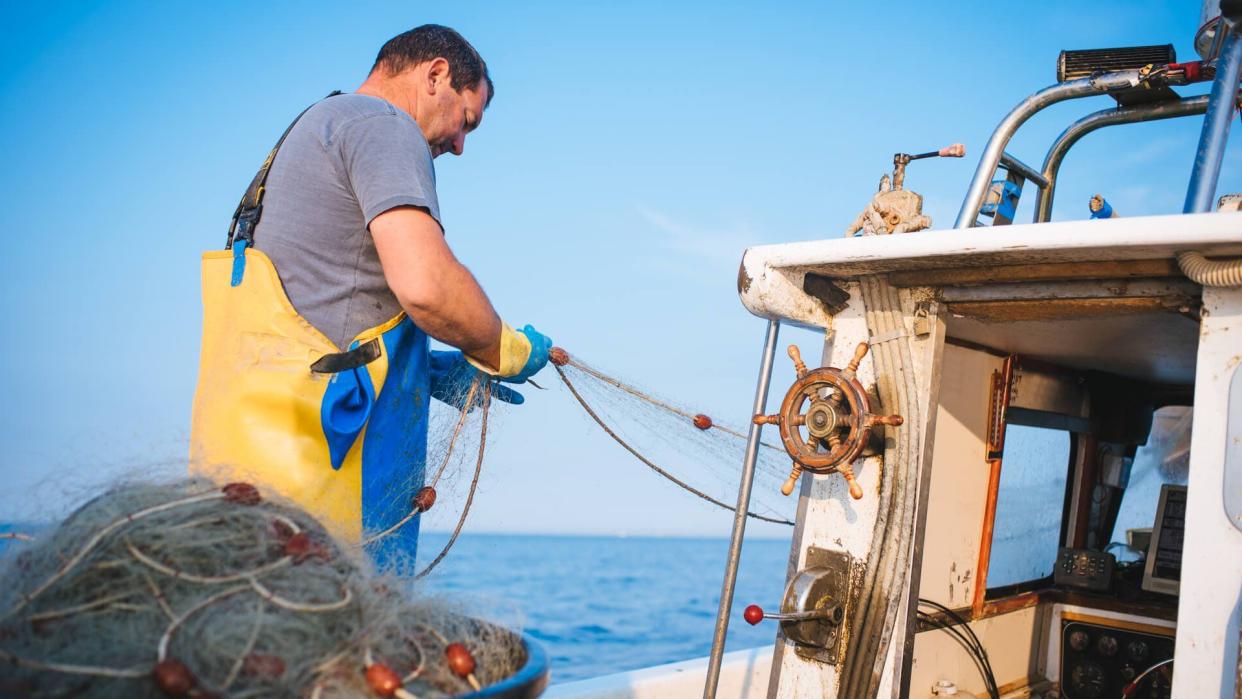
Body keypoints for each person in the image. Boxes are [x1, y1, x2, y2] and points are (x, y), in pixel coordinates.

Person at [189, 25, 550, 560]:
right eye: (466, 121)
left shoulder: (319, 127)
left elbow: (314, 305)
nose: (459, 145)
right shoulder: (384, 127)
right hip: (318, 491)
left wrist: (420, 371)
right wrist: (502, 348)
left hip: (237, 478)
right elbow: (427, 287)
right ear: (435, 76)